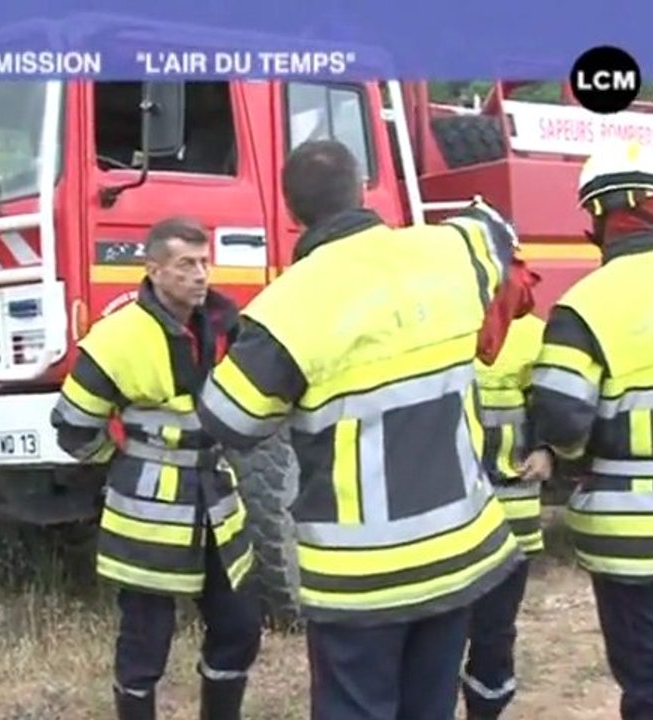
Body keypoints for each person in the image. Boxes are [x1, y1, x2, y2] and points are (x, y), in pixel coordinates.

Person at [195, 139, 525, 720]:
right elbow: (495, 226)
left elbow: (229, 419)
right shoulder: (449, 251)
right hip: (456, 552)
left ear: (292, 210)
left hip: (362, 577)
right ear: (362, 187)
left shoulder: (288, 306)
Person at [522, 139, 653, 720]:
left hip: (636, 528)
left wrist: (563, 452)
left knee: (651, 671)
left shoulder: (583, 307)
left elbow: (561, 419)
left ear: (594, 219)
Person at [49, 217, 262, 720]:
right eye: (185, 264)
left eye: (204, 262)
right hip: (148, 507)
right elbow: (73, 429)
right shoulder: (117, 337)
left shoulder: (229, 325)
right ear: (154, 271)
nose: (200, 275)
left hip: (216, 499)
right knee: (146, 640)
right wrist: (125, 465)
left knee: (239, 627)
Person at [462, 309, 546, 720]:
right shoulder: (436, 326)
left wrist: (547, 450)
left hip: (511, 517)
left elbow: (554, 406)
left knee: (493, 634)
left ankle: (486, 710)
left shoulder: (533, 335)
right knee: (436, 642)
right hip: (446, 523)